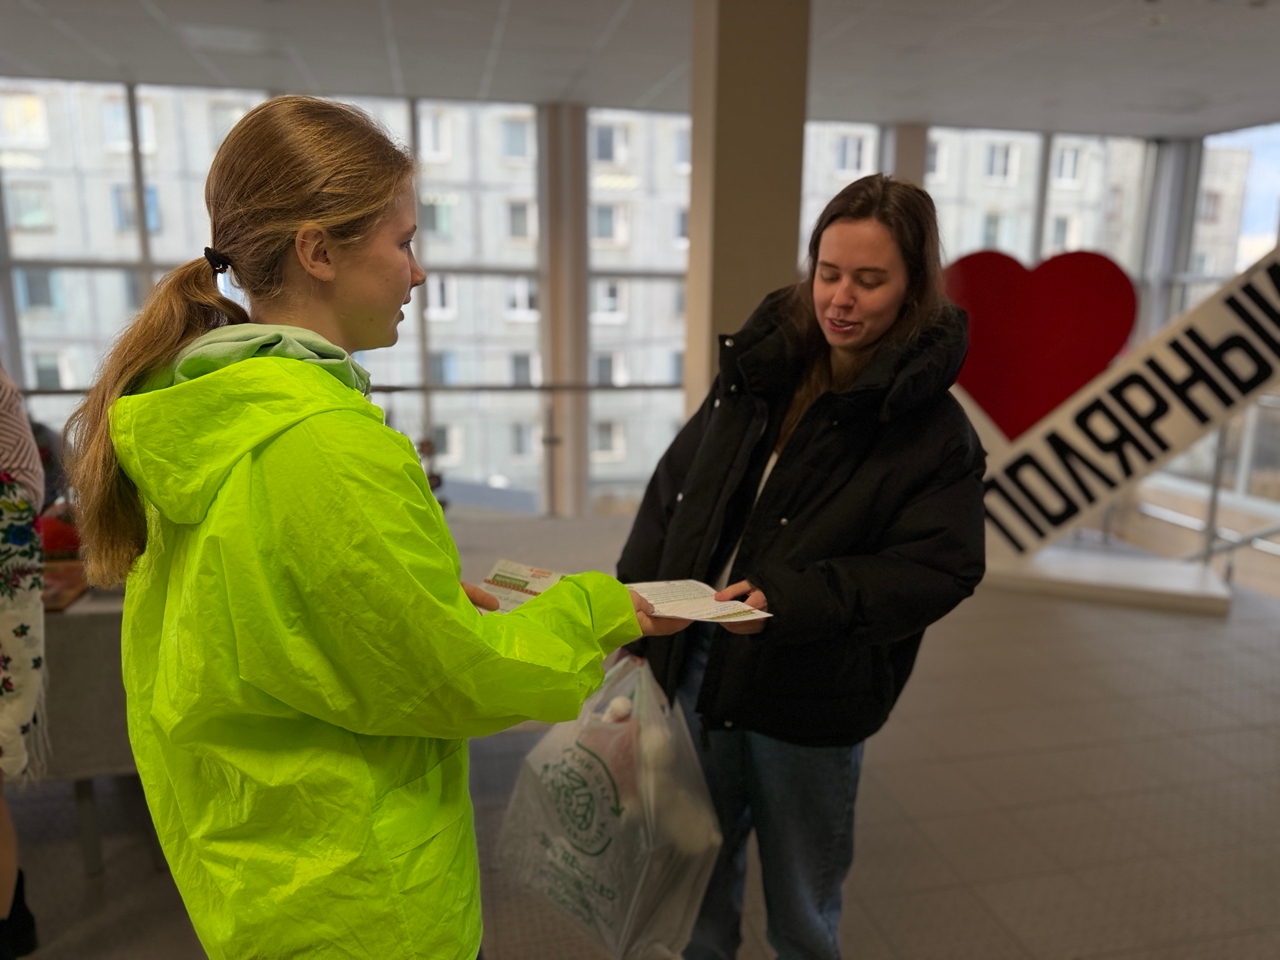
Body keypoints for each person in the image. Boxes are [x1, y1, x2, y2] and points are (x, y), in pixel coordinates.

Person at [64, 96, 685, 960]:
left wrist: (413, 602)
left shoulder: (202, 418)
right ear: (319, 251)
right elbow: (454, 675)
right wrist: (598, 608)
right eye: (403, 242)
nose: (418, 272)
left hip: (266, 871)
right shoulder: (324, 442)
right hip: (360, 892)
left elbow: (262, 626)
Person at [618, 174, 987, 960]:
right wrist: (632, 610)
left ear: (913, 286)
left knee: (802, 910)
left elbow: (940, 569)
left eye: (869, 279)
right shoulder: (759, 372)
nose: (841, 298)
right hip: (696, 664)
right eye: (828, 272)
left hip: (812, 692)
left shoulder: (934, 432)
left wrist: (792, 597)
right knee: (693, 887)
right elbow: (675, 492)